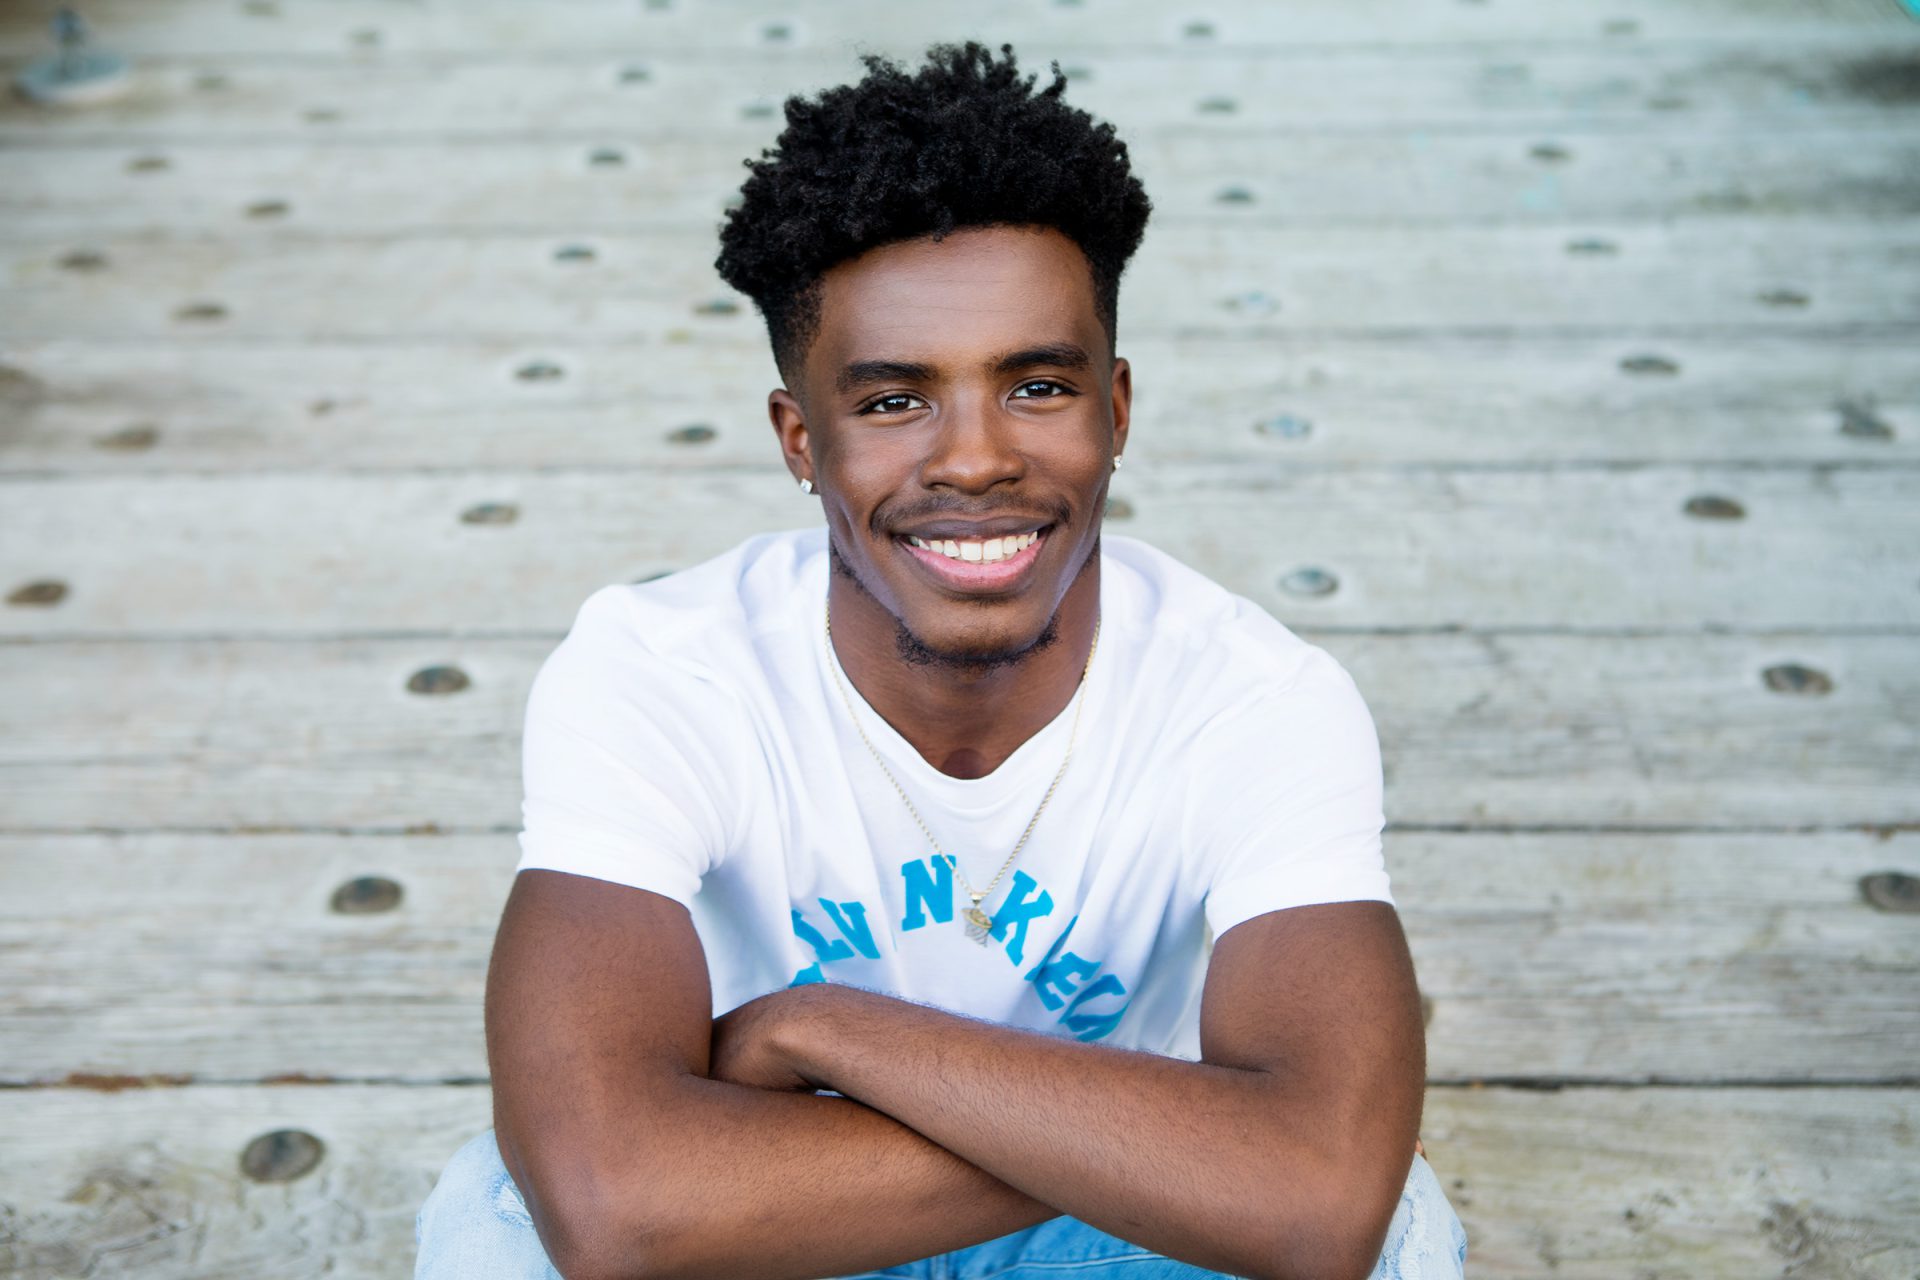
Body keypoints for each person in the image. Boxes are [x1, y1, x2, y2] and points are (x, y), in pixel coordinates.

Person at [416, 41, 1468, 1280]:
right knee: (503, 1225)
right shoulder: (660, 671)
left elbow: (1318, 1202)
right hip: (785, 1188)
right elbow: (617, 1203)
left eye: (1034, 385)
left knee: (1398, 1234)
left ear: (1115, 412)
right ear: (800, 439)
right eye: (893, 401)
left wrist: (824, 1027)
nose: (973, 460)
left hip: (1123, 1233)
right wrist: (1183, 1141)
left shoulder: (1256, 699)